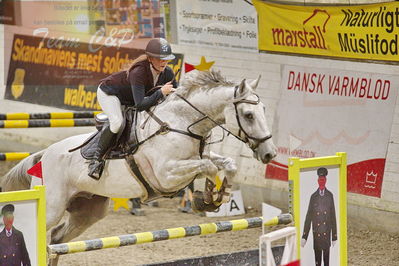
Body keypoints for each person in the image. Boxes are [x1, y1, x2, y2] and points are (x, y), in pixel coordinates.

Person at [88, 38, 177, 179]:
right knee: (117, 122)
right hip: (110, 93)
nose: (164, 62)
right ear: (150, 58)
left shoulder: (168, 73)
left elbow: (175, 97)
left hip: (129, 98)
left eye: (166, 59)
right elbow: (140, 105)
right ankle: (95, 160)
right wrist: (160, 92)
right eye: (160, 59)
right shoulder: (139, 72)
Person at [301, 167, 337, 266]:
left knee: (326, 263)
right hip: (317, 236)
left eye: (323, 180)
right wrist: (304, 236)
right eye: (320, 180)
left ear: (326, 181)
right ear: (318, 181)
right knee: (317, 262)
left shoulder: (330, 196)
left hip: (326, 235)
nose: (321, 182)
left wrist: (334, 236)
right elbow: (308, 218)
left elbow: (333, 217)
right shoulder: (313, 197)